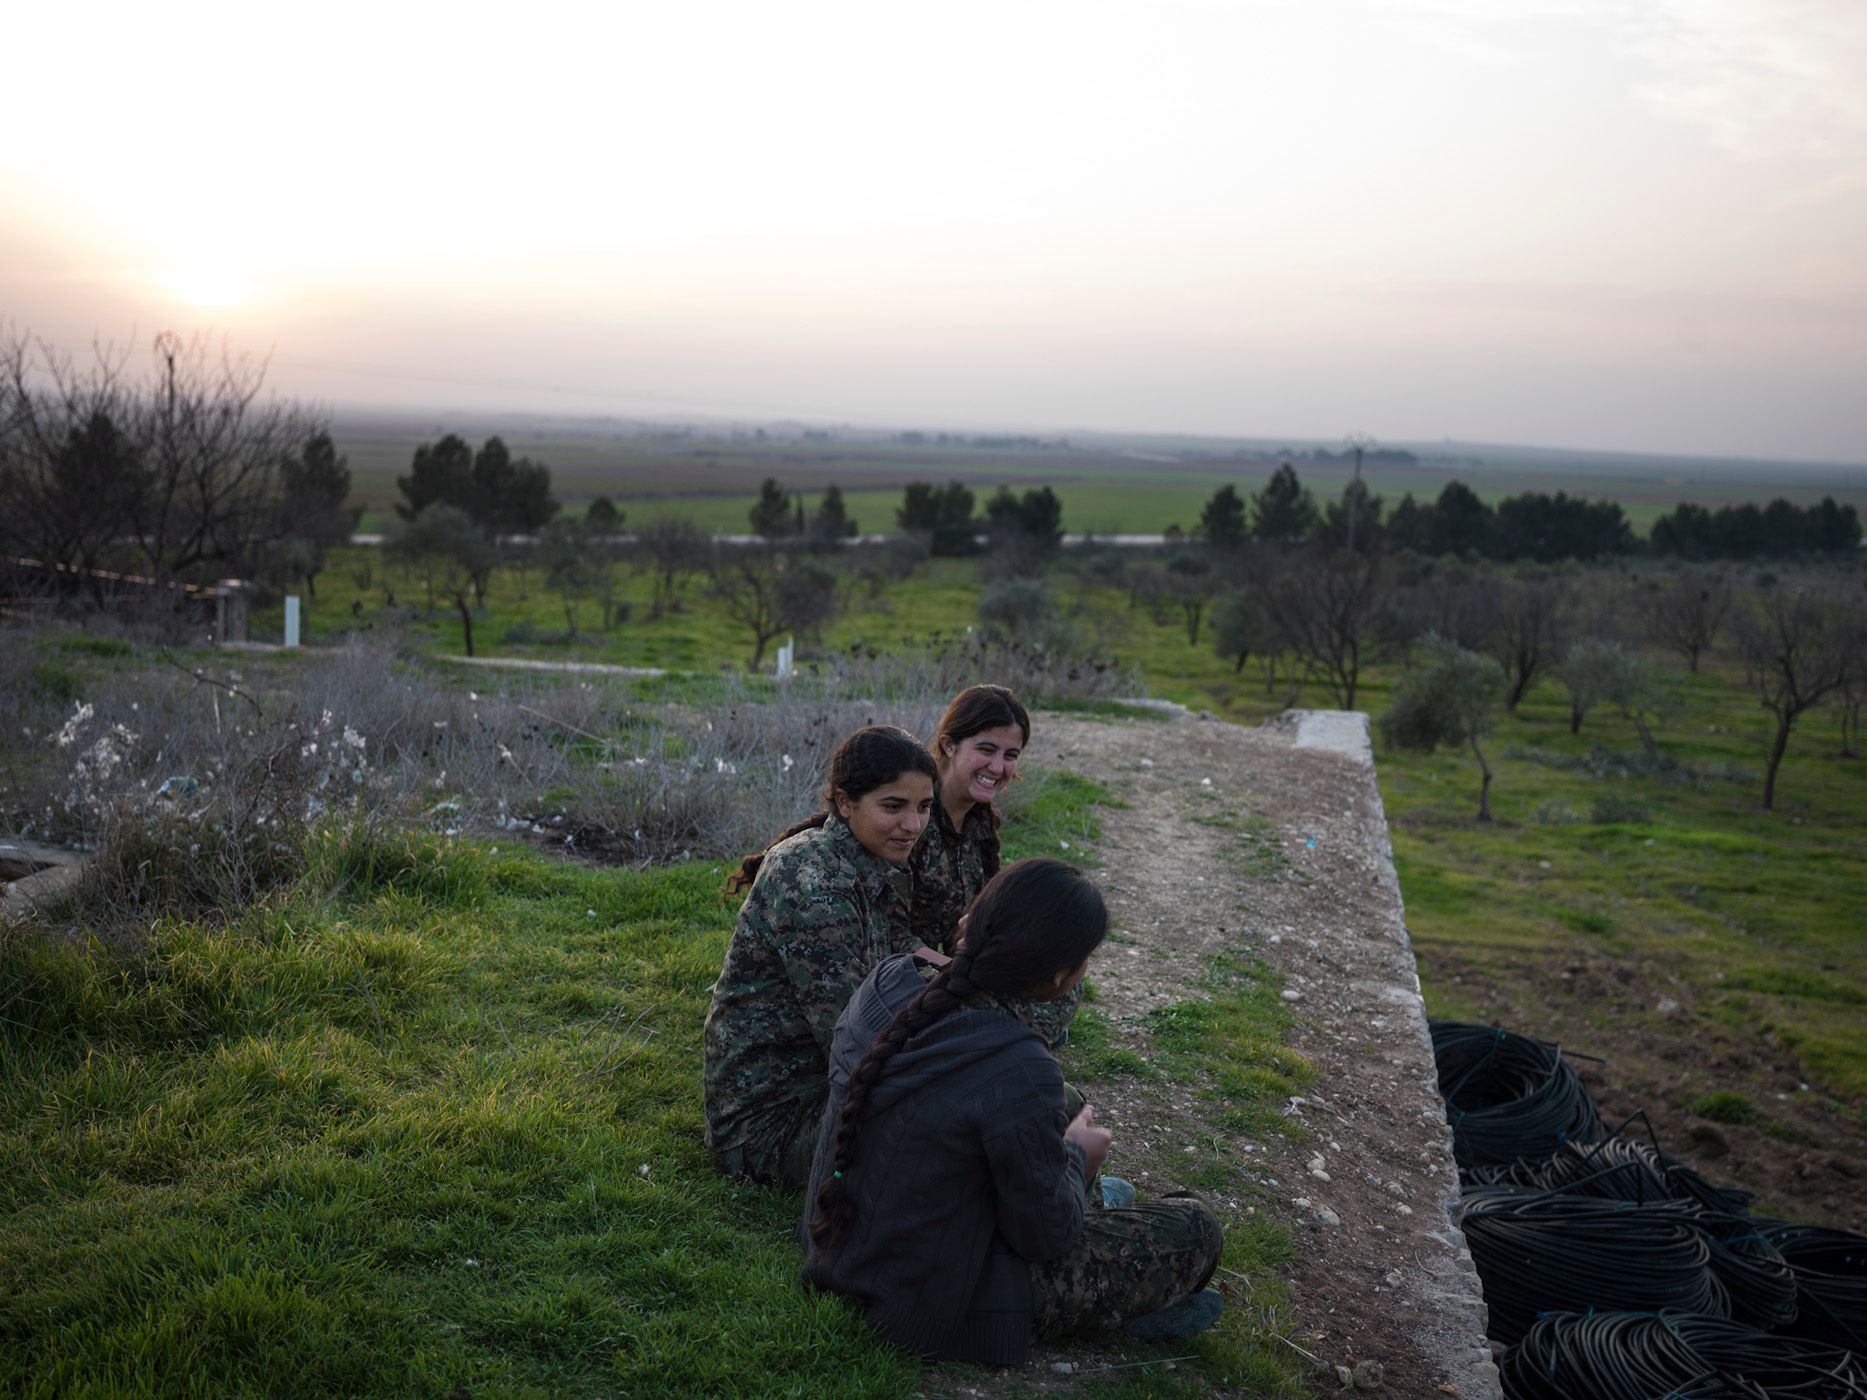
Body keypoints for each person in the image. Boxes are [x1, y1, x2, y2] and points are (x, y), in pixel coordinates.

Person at [801, 859, 1224, 1364]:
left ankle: (1096, 1211)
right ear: (1061, 975)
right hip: (929, 1300)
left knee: (1061, 1106)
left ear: (972, 922)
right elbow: (1045, 1235)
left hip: (831, 1241)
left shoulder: (890, 978)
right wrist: (1074, 1157)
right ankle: (1127, 1303)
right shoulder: (1020, 1068)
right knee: (1196, 1228)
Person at [702, 724, 937, 1188]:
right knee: (968, 1124)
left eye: (924, 807)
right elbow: (856, 1042)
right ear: (846, 802)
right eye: (894, 806)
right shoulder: (811, 879)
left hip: (829, 1092)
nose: (913, 825)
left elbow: (890, 950)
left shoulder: (866, 858)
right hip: (771, 1128)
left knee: (1020, 1096)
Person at [910, 684, 1079, 1049]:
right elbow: (881, 932)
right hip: (904, 974)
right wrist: (957, 969)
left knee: (1065, 961)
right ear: (949, 745)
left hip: (951, 966)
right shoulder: (911, 816)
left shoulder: (980, 823)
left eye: (1011, 755)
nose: (998, 767)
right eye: (986, 749)